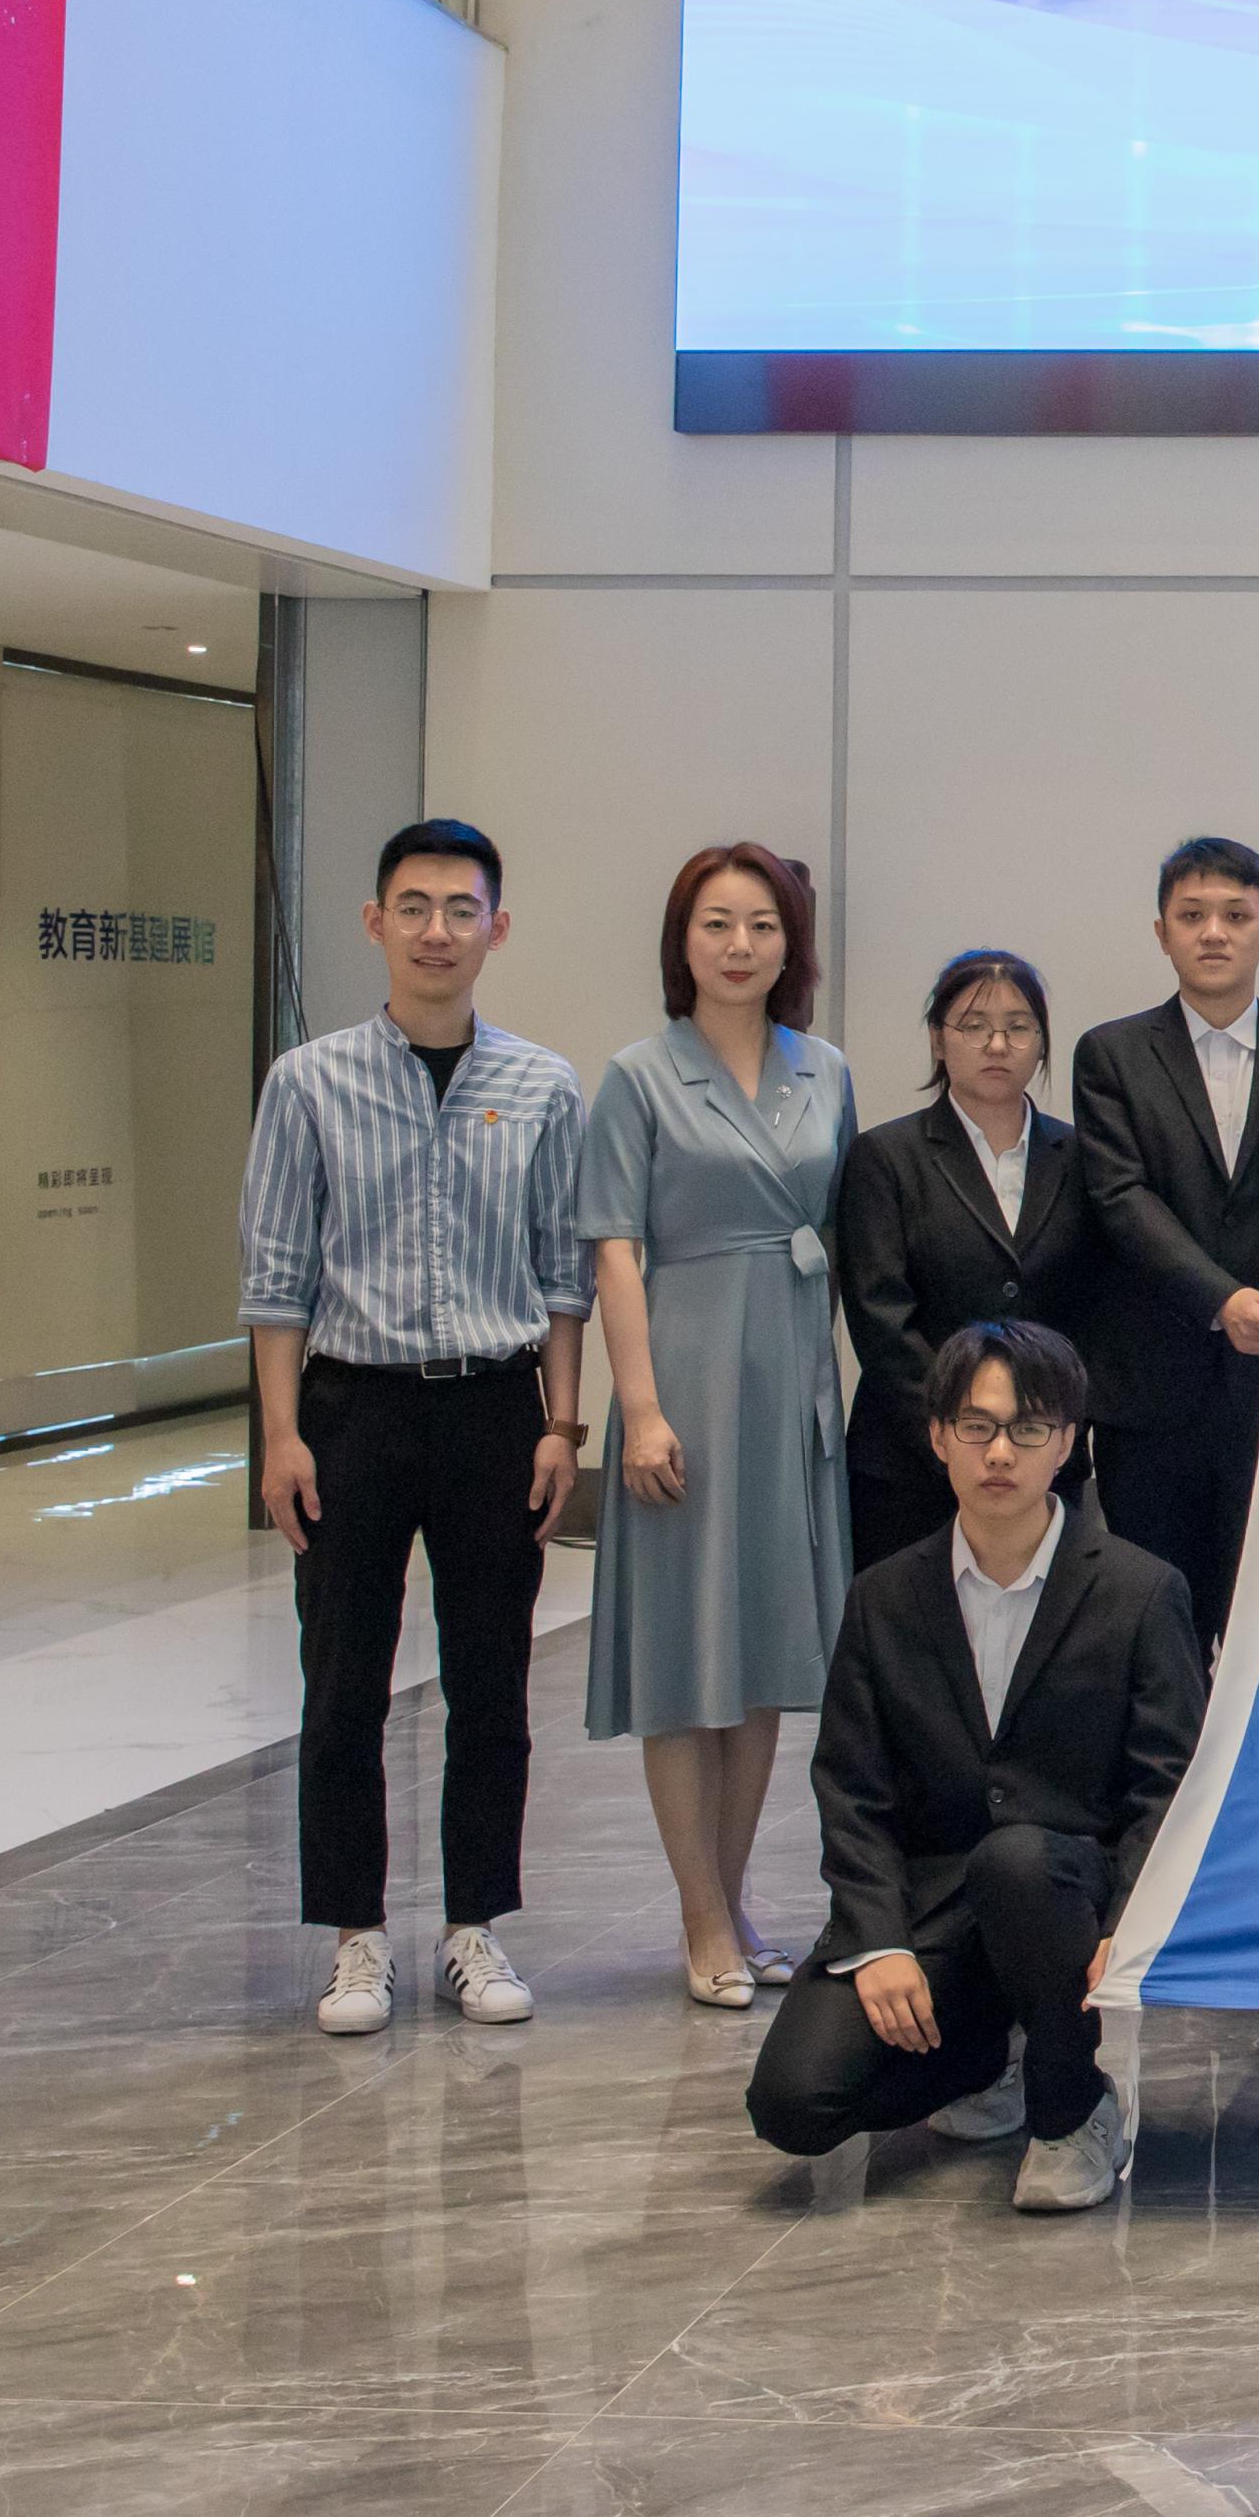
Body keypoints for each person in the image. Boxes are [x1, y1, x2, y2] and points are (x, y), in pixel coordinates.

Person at [234, 817, 591, 2039]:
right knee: (343, 1683)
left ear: (497, 926)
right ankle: (355, 1936)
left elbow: (561, 1273)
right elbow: (275, 1274)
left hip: (495, 1406)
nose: (438, 929)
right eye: (415, 906)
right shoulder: (308, 1080)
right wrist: (282, 1434)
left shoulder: (541, 1085)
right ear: (375, 921)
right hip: (354, 1407)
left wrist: (563, 1422)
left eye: (461, 908)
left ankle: (473, 1925)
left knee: (492, 1682)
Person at [748, 1320, 1206, 2215]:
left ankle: (1072, 2109)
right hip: (934, 1904)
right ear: (937, 1437)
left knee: (1018, 1859)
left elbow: (1169, 1783)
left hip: (1062, 1890)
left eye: (1028, 1427)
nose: (1000, 1452)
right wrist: (878, 1940)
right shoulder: (884, 1595)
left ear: (1067, 1442)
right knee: (794, 2103)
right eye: (977, 1425)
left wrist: (1130, 1919)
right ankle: (990, 2050)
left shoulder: (1142, 1590)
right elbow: (850, 1788)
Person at [579, 843, 857, 2009]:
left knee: (763, 1661)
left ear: (791, 944)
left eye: (762, 925)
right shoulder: (638, 1075)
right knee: (682, 1656)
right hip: (684, 1378)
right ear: (680, 940)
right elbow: (614, 1247)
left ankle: (734, 1899)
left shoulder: (826, 1069)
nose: (739, 945)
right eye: (715, 923)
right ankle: (698, 1909)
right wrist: (640, 1408)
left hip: (790, 1378)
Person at [1070, 839, 1259, 1643]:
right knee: (1152, 1622)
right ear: (1161, 931)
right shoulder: (1110, 1053)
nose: (1214, 932)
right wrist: (1220, 1297)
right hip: (1149, 1390)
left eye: (1236, 915)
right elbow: (1119, 1197)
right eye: (1192, 915)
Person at [838, 949, 1083, 1581]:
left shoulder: (1080, 1155)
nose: (997, 1044)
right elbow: (880, 1317)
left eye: (1019, 1026)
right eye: (974, 1026)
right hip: (912, 1457)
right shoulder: (886, 1156)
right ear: (937, 1040)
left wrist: (1040, 1432)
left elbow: (1100, 1303)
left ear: (1041, 1043)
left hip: (1043, 1461)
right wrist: (960, 1433)